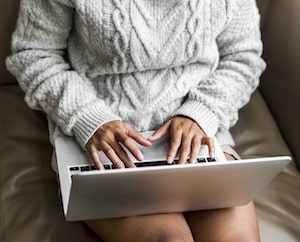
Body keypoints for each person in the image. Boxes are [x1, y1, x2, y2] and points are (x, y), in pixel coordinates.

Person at [6, 0, 266, 241]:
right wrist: (91, 120)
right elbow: (34, 54)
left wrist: (200, 113)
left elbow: (243, 58)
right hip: (103, 143)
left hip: (199, 135)